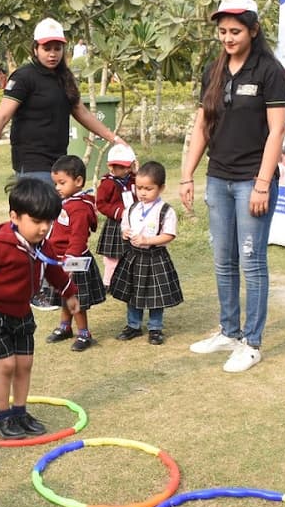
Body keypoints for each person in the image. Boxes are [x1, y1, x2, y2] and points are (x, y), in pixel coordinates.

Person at [179, 0, 285, 373]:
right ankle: (228, 331)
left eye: (235, 31)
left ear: (253, 30)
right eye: (223, 31)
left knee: (251, 262)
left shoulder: (270, 72)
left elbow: (277, 132)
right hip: (218, 179)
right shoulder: (213, 71)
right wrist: (187, 174)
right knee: (223, 261)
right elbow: (202, 125)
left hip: (251, 182)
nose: (228, 38)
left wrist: (262, 184)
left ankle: (251, 343)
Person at [0, 178, 79, 439]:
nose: (44, 228)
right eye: (37, 221)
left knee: (25, 363)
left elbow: (54, 270)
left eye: (49, 221)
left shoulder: (42, 245)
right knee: (7, 365)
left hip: (22, 312)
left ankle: (20, 412)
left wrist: (69, 293)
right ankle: (3, 416)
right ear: (15, 217)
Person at [0, 18, 127, 183]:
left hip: (59, 163)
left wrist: (114, 139)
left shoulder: (65, 77)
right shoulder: (23, 77)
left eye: (57, 48)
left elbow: (81, 112)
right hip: (32, 163)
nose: (52, 54)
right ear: (35, 49)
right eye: (47, 48)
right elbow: (2, 116)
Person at [109, 161, 182, 345]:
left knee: (155, 294)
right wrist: (125, 232)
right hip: (133, 257)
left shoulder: (165, 211)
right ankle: (133, 325)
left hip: (155, 257)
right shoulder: (132, 208)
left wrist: (147, 240)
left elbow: (169, 235)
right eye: (139, 188)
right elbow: (125, 225)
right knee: (133, 292)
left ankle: (155, 328)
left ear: (161, 188)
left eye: (148, 189)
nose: (142, 192)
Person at [42, 155, 105, 351]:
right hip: (60, 258)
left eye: (62, 183)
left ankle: (84, 333)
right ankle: (65, 326)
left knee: (74, 297)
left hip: (74, 260)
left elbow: (78, 238)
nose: (57, 187)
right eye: (55, 183)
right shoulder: (67, 202)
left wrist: (69, 263)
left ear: (78, 181)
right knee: (64, 295)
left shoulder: (79, 208)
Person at [95, 143, 137, 286]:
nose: (124, 169)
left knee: (131, 252)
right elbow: (101, 204)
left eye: (126, 166)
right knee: (112, 256)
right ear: (110, 166)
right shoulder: (107, 184)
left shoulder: (134, 179)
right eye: (119, 166)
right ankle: (108, 282)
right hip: (115, 223)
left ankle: (128, 281)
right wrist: (118, 212)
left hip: (133, 222)